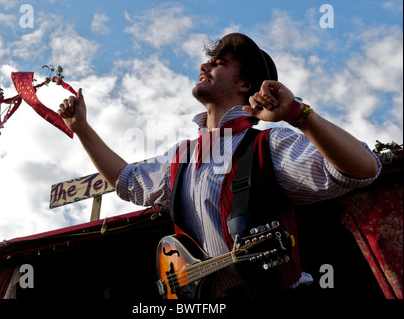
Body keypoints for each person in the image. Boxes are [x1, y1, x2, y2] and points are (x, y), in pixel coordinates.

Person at [58, 33, 381, 299]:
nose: (203, 65)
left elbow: (363, 169)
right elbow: (128, 182)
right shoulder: (182, 154)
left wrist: (296, 113)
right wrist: (81, 127)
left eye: (219, 63)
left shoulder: (270, 143)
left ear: (245, 85)